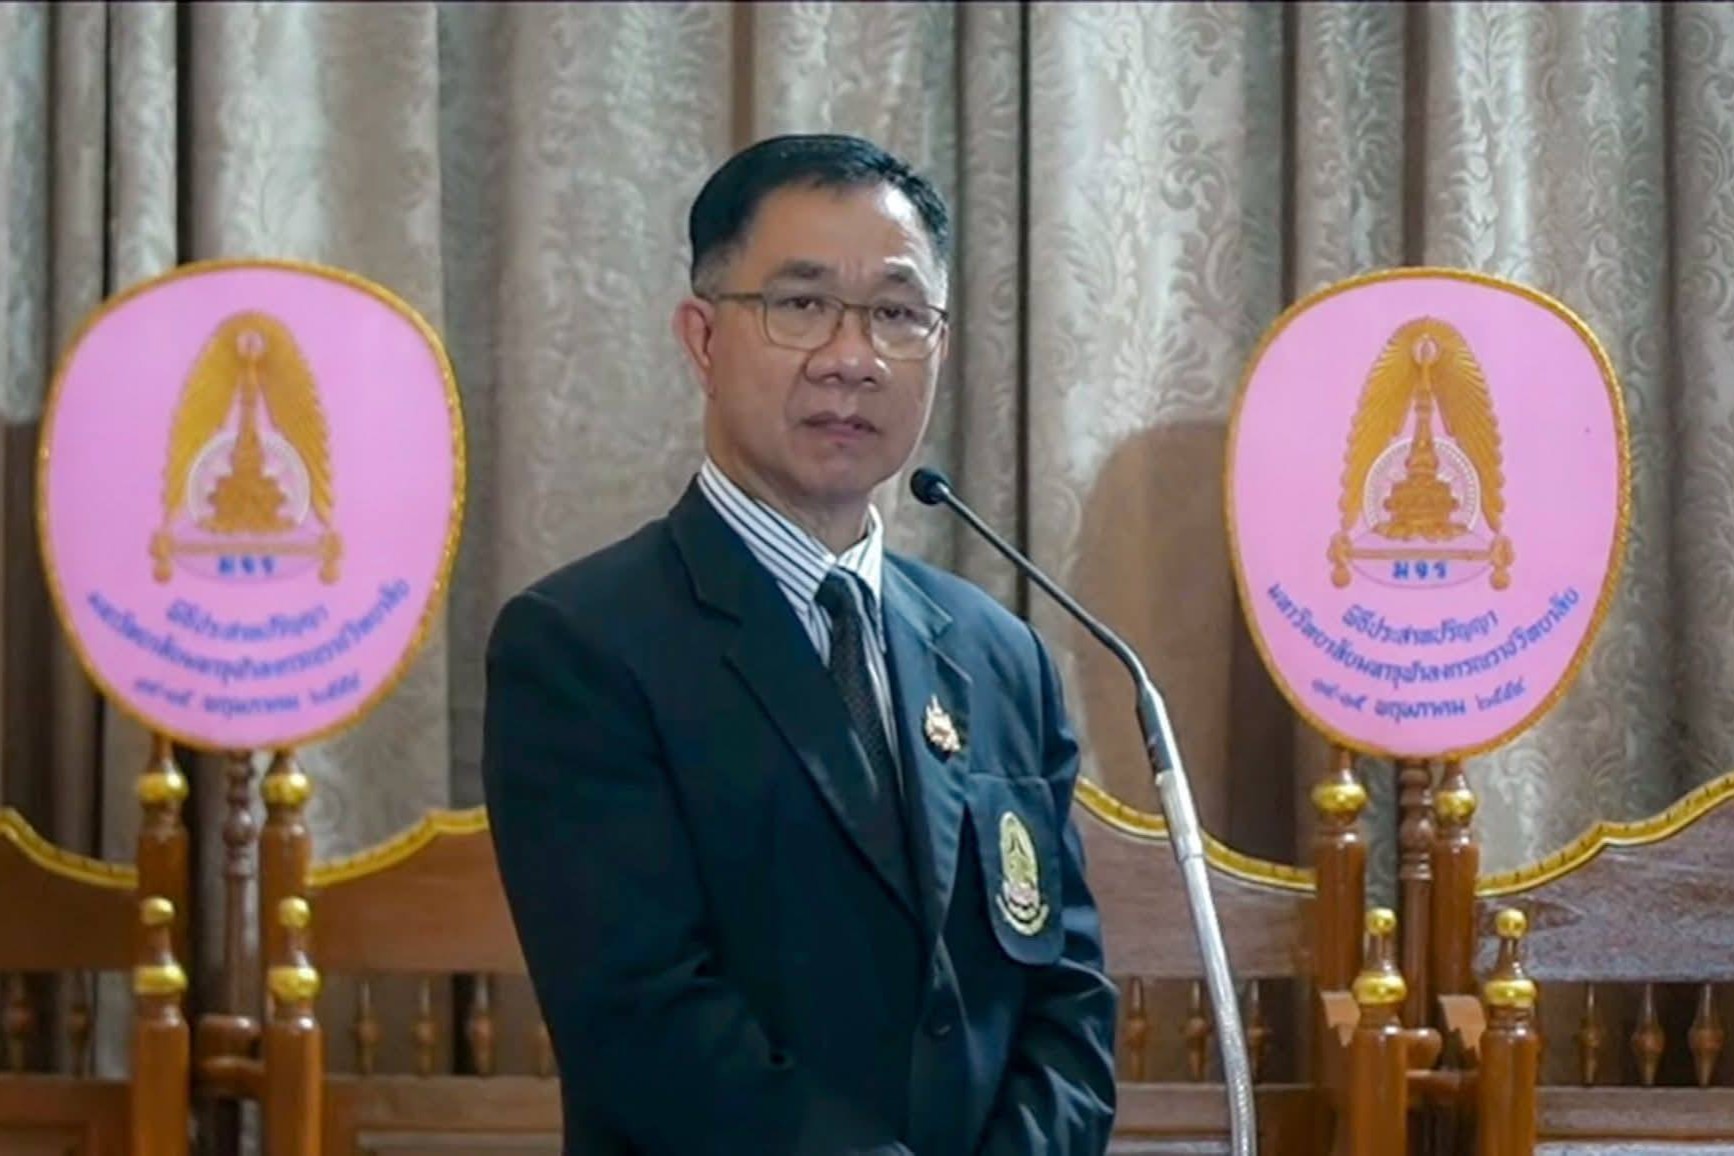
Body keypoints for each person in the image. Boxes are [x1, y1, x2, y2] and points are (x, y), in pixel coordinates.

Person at [482, 132, 1118, 1156]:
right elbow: (644, 1023)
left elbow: (1066, 999)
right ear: (702, 339)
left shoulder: (1002, 656)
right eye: (801, 304)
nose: (851, 358)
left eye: (897, 314)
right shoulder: (581, 647)